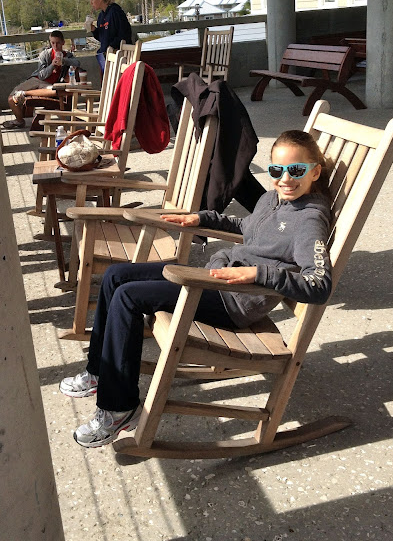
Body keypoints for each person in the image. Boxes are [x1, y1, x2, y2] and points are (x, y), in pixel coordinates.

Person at [60, 129, 333, 448]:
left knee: (128, 297)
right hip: (216, 278)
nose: (285, 178)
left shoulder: (310, 220)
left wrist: (259, 274)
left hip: (234, 302)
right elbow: (244, 228)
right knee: (117, 275)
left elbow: (319, 285)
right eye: (277, 170)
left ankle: (119, 407)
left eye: (296, 170)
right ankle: (99, 372)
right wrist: (199, 218)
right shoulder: (272, 198)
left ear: (314, 171)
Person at [3, 30, 80, 130]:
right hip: (37, 80)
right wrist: (52, 65)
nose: (55, 46)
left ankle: (25, 93)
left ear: (63, 43)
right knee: (11, 98)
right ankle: (19, 121)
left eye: (58, 43)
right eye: (53, 43)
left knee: (55, 90)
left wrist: (63, 60)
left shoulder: (68, 56)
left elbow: (77, 63)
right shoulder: (45, 54)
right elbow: (42, 75)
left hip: (51, 85)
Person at [86, 0, 132, 73]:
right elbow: (102, 38)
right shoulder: (101, 16)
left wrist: (110, 47)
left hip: (118, 56)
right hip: (105, 56)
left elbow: (124, 34)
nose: (91, 3)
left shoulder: (115, 11)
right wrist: (94, 30)